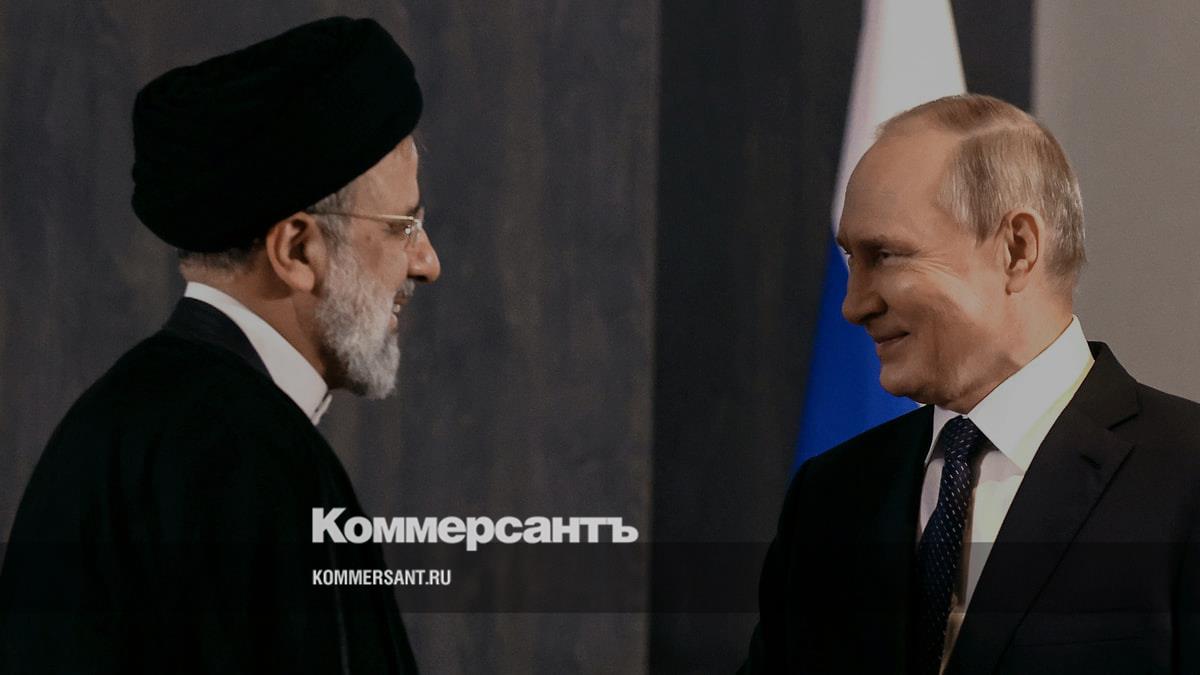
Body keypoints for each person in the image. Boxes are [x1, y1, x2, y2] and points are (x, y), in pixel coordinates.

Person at [0, 17, 438, 674]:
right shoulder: (258, 462)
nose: (427, 263)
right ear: (298, 250)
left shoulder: (112, 426)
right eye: (404, 226)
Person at [741, 94, 1200, 674]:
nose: (853, 306)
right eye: (852, 259)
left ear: (1017, 250)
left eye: (885, 255)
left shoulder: (1185, 477)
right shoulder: (829, 498)